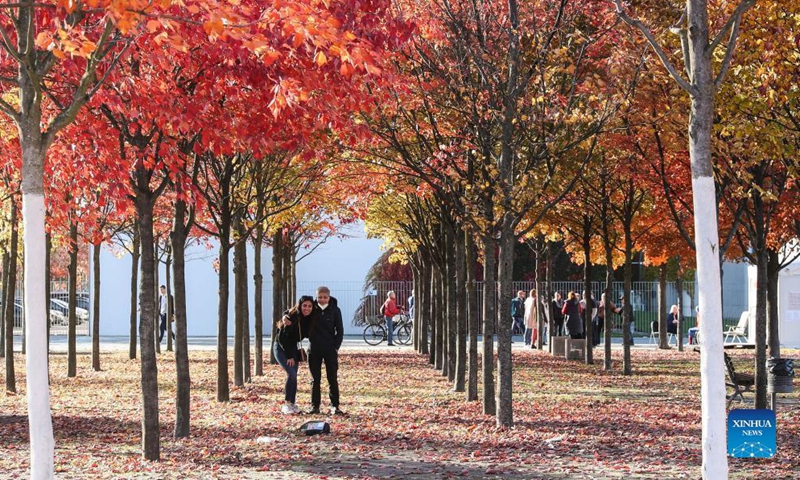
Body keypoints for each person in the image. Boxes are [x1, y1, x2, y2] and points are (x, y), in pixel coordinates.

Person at [274, 296, 315, 415]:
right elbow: (282, 338)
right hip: (281, 347)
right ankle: (287, 404)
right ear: (300, 306)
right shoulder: (291, 317)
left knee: (294, 375)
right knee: (291, 373)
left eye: (309, 306)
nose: (307, 308)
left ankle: (292, 403)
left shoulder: (310, 318)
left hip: (292, 348)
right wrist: (289, 356)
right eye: (304, 306)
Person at [308, 286, 345, 415]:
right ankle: (315, 406)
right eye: (319, 297)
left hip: (329, 349)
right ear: (316, 297)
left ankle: (335, 406)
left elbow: (340, 330)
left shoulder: (335, 310)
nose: (322, 300)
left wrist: (335, 347)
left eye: (325, 297)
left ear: (329, 297)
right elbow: (296, 311)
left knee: (332, 378)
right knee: (315, 379)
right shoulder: (311, 309)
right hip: (314, 349)